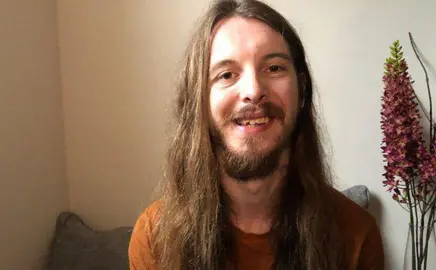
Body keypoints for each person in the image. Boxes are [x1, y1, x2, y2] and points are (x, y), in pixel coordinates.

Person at [128, 0, 384, 269]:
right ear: (199, 101)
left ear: (302, 90)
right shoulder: (154, 238)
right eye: (226, 74)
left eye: (274, 68)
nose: (253, 90)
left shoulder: (356, 235)